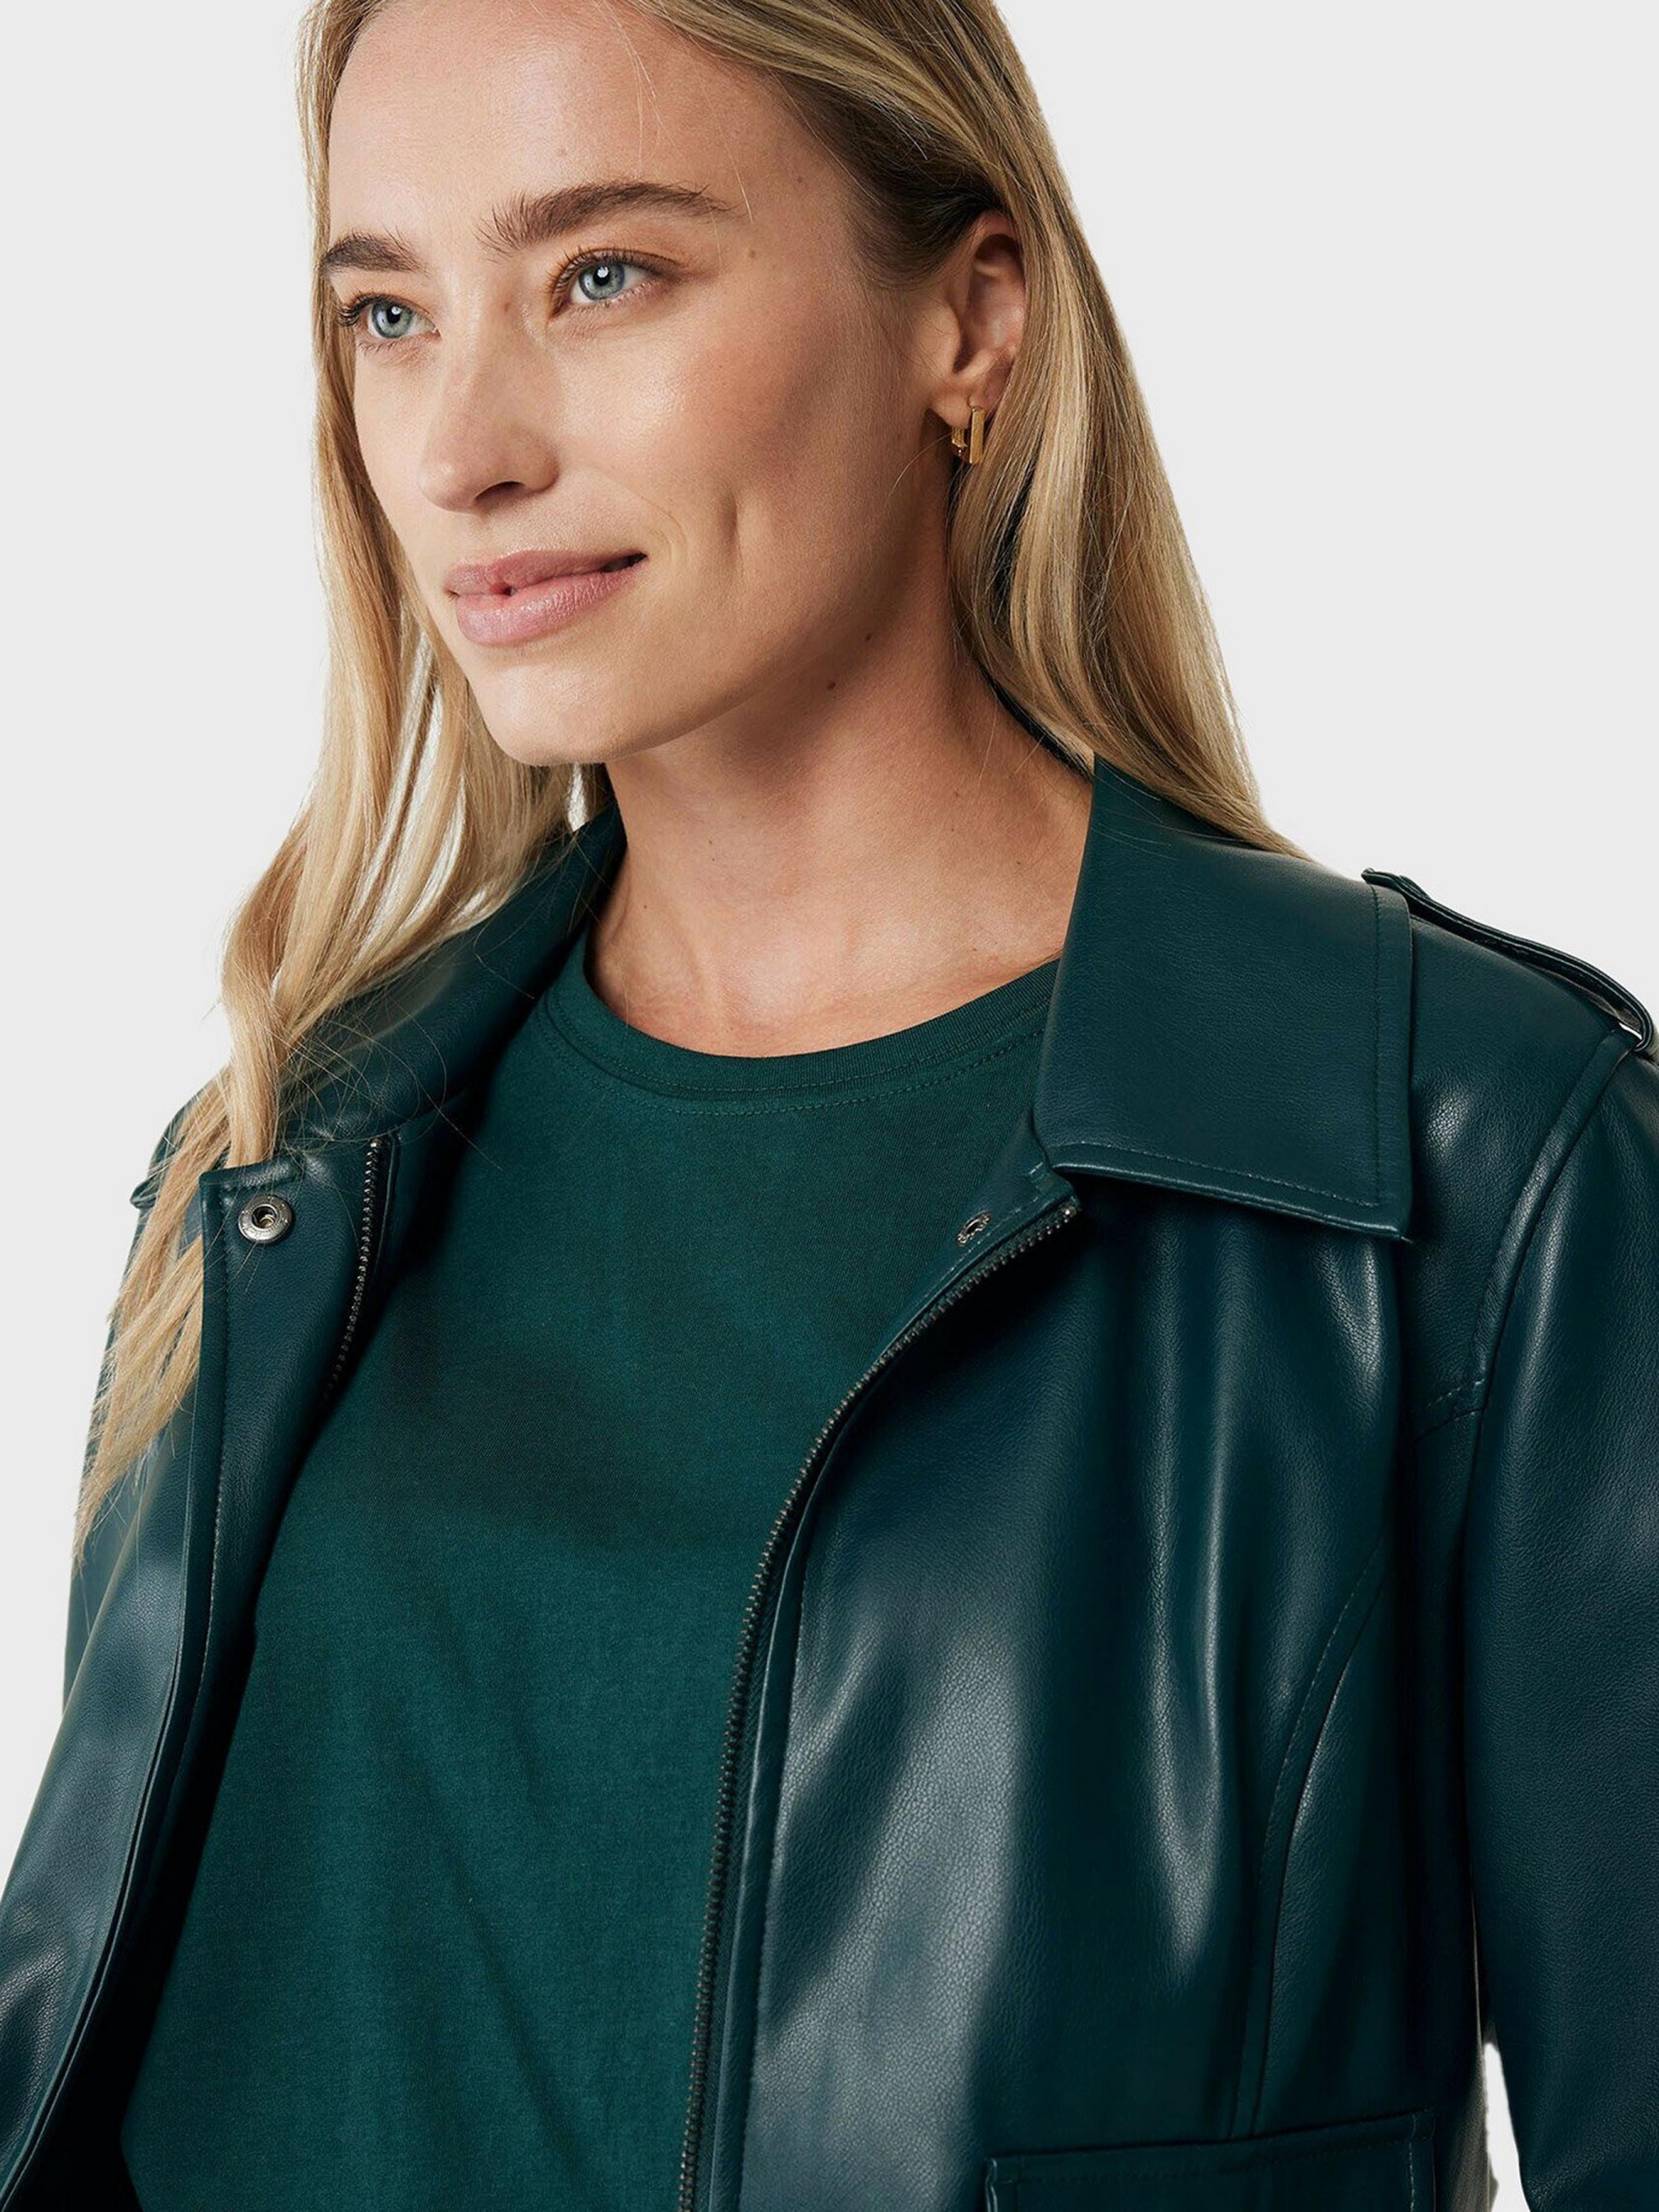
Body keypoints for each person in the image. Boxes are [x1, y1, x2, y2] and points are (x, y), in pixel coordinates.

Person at [0, 0, 1654, 2206]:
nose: (462, 446)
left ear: (970, 318)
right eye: (388, 313)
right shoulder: (281, 1176)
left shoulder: (1453, 1170)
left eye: (604, 275)